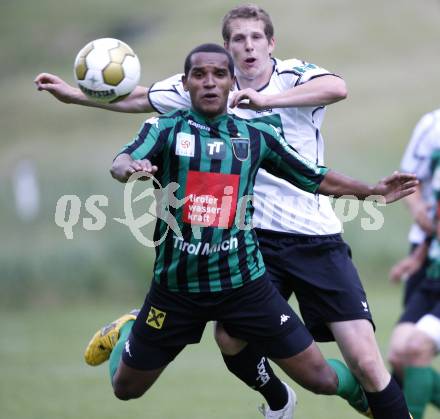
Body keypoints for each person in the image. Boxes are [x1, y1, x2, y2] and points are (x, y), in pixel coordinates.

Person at [35, 5, 413, 418]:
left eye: (255, 38)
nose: (247, 46)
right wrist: (77, 96)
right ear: (219, 57)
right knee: (210, 349)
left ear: (271, 43)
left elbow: (334, 101)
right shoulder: (190, 103)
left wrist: (267, 101)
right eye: (238, 39)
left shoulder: (283, 90)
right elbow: (138, 106)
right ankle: (275, 398)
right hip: (237, 251)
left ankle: (361, 401)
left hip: (308, 239)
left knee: (361, 365)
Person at [387, 110, 440, 419]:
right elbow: (409, 179)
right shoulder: (432, 126)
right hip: (430, 259)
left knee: (417, 348)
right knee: (399, 355)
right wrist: (417, 254)